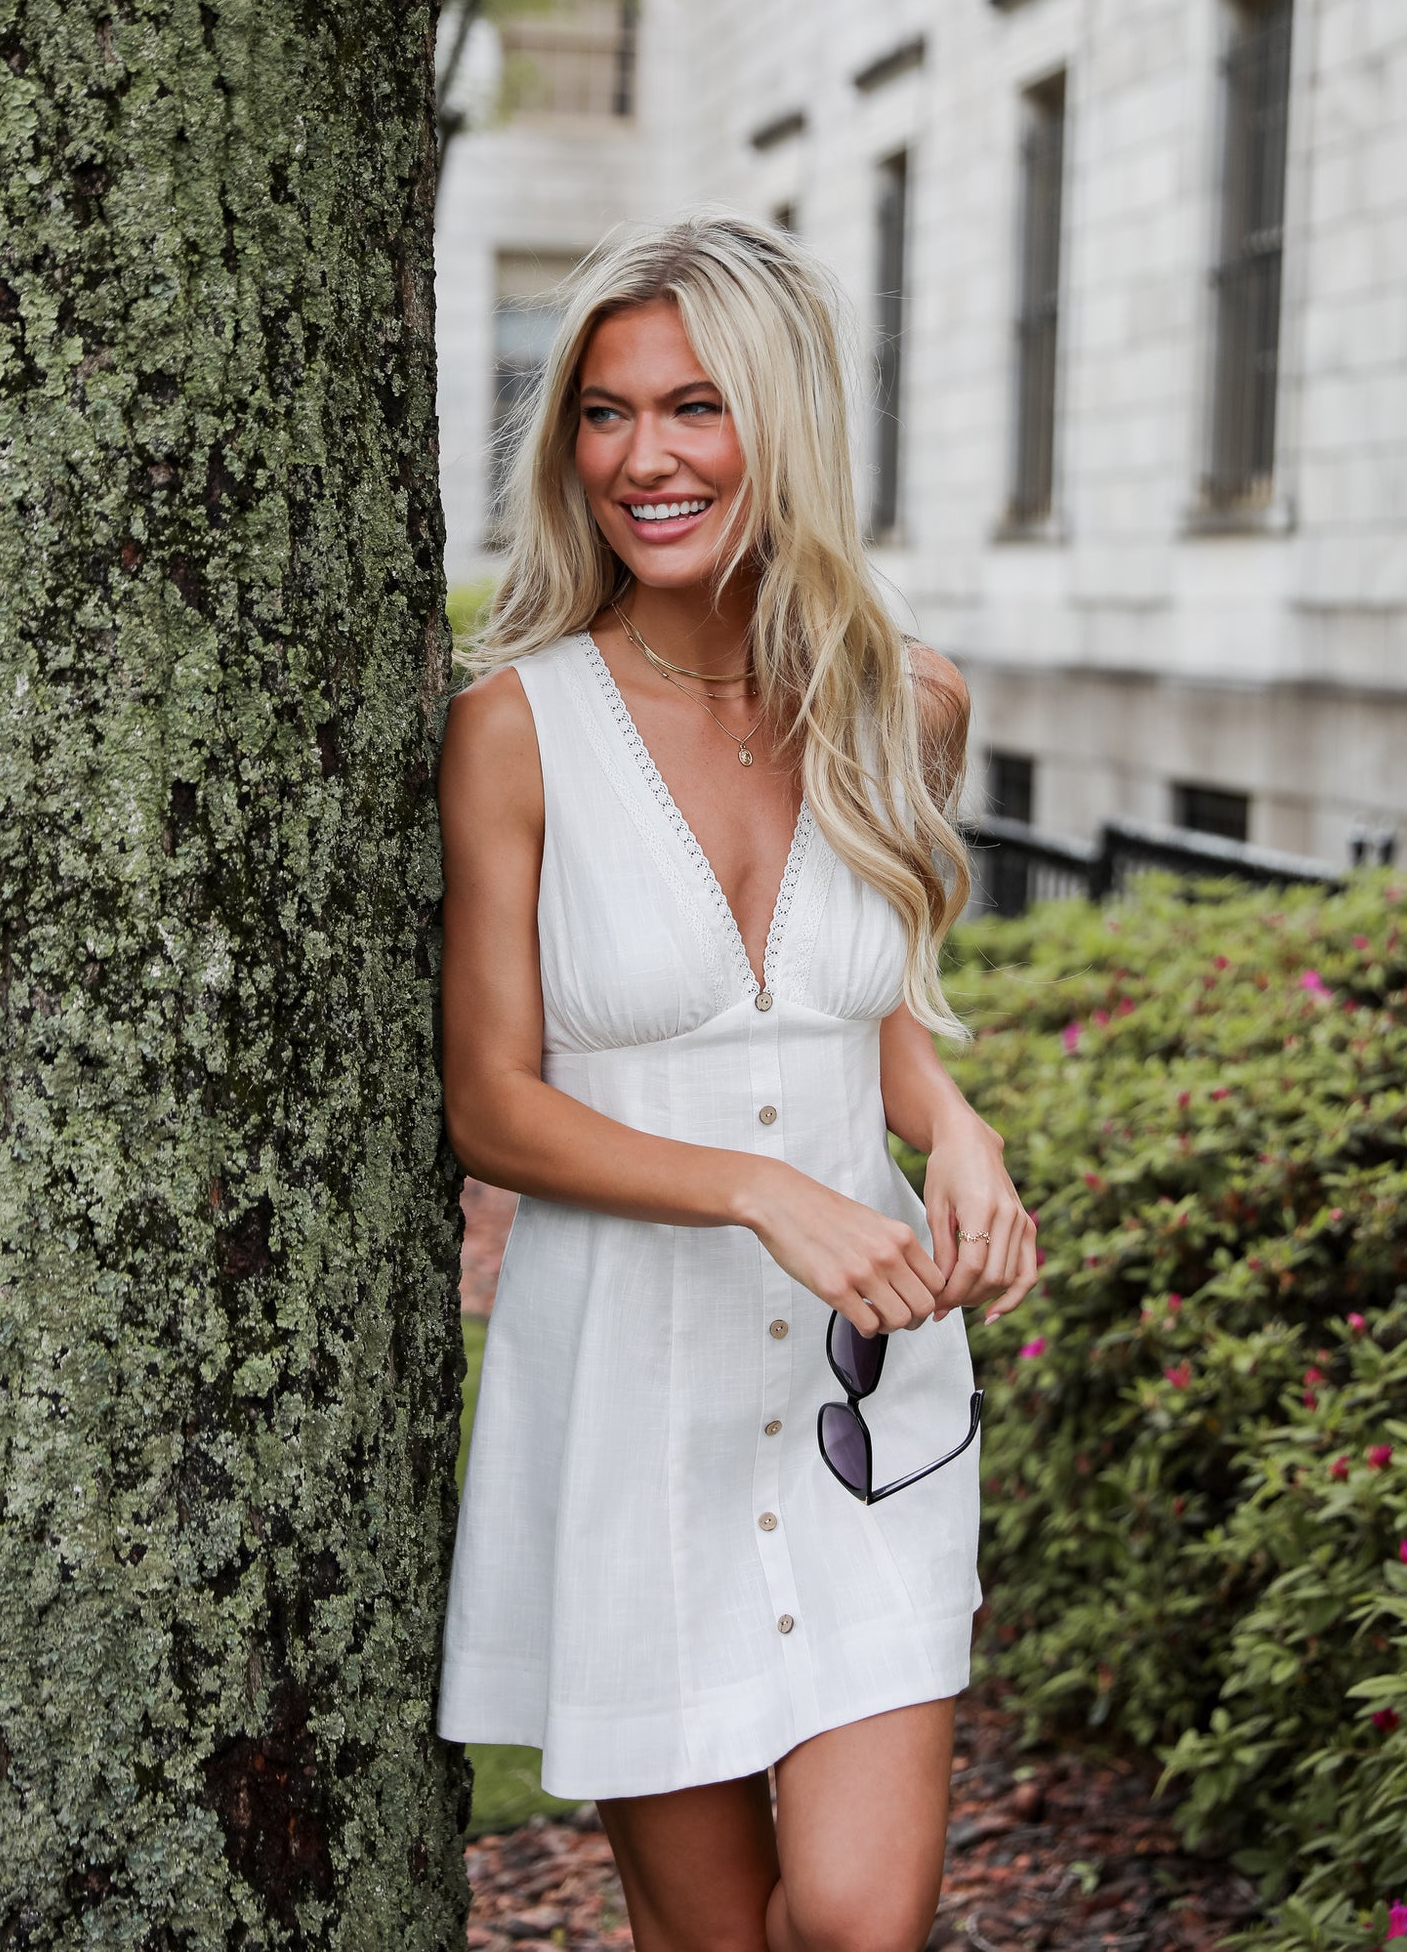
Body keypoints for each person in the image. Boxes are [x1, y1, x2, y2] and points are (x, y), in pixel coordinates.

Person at [436, 215, 1037, 1952]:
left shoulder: (905, 705)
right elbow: (492, 1103)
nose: (644, 458)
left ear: (782, 421)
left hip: (874, 1390)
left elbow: (873, 1010)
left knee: (859, 1922)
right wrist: (765, 1189)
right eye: (606, 414)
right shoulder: (517, 729)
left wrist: (963, 1128)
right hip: (635, 1392)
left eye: (694, 406)